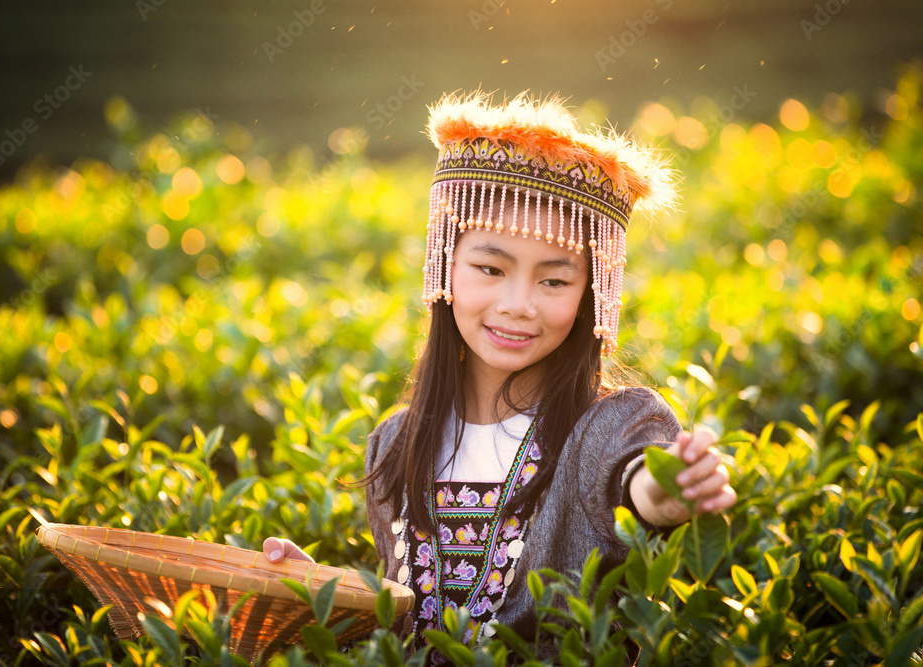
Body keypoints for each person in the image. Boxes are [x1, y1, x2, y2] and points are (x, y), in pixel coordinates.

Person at [263, 90, 737, 660]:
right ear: (445, 265)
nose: (519, 304)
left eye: (554, 281)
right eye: (491, 268)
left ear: (591, 295)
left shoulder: (612, 425)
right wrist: (324, 600)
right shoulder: (394, 444)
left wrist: (665, 491)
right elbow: (408, 630)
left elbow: (636, 484)